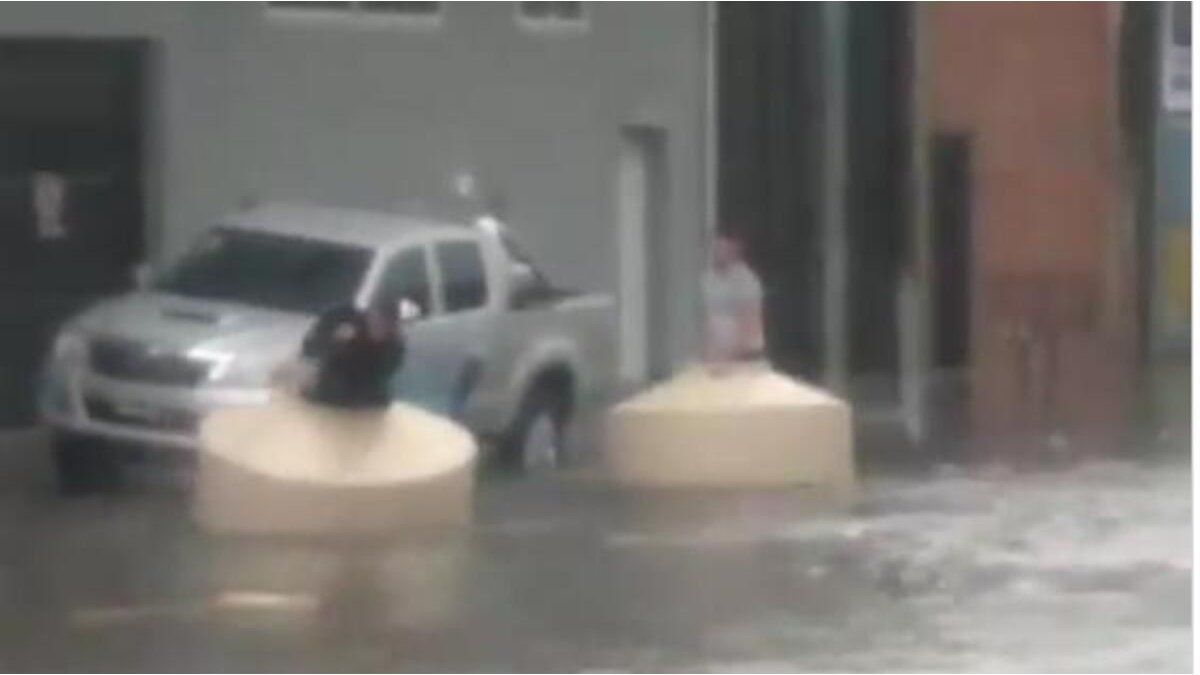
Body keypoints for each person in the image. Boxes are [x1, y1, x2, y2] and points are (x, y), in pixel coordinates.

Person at [298, 298, 406, 409]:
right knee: (323, 386)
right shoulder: (344, 321)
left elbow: (382, 377)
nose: (380, 330)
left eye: (387, 327)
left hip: (364, 384)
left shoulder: (394, 346)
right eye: (377, 323)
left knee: (378, 399)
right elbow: (310, 349)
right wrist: (336, 342)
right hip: (334, 375)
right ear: (369, 317)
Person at [703, 232, 765, 370]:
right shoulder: (708, 279)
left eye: (723, 247)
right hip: (715, 354)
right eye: (715, 247)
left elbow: (750, 320)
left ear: (735, 250)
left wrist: (736, 353)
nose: (718, 252)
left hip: (740, 355)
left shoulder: (746, 280)